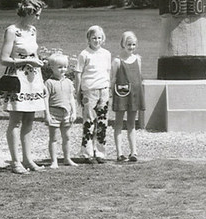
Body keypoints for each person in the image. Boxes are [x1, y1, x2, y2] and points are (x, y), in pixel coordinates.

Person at [0, 0, 47, 174]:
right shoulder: (12, 31)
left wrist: (38, 61)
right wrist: (26, 61)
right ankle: (15, 161)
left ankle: (28, 159)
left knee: (29, 121)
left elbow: (33, 53)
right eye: (37, 14)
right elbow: (3, 59)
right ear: (28, 12)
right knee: (15, 121)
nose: (38, 18)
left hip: (33, 79)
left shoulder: (33, 30)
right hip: (17, 79)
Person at [75, 25, 112, 162]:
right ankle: (87, 153)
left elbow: (108, 72)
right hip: (89, 91)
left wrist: (108, 88)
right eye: (94, 38)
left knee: (102, 122)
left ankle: (100, 152)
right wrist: (78, 92)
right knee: (89, 122)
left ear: (103, 39)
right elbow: (78, 74)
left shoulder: (106, 54)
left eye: (99, 38)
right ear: (88, 39)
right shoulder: (84, 54)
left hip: (103, 90)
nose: (96, 40)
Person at [111, 30, 145, 161]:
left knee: (132, 123)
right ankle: (119, 153)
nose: (131, 47)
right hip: (121, 94)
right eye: (128, 44)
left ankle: (133, 152)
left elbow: (139, 77)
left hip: (134, 95)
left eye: (133, 45)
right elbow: (113, 78)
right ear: (123, 44)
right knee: (119, 123)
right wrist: (110, 92)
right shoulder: (117, 61)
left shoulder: (138, 59)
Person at [44, 52, 78, 168]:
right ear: (52, 68)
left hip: (67, 113)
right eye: (59, 67)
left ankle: (67, 158)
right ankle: (54, 161)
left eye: (65, 67)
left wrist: (74, 112)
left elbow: (71, 98)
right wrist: (47, 114)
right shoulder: (49, 83)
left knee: (67, 137)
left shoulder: (69, 82)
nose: (63, 69)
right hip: (54, 112)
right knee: (53, 138)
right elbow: (45, 99)